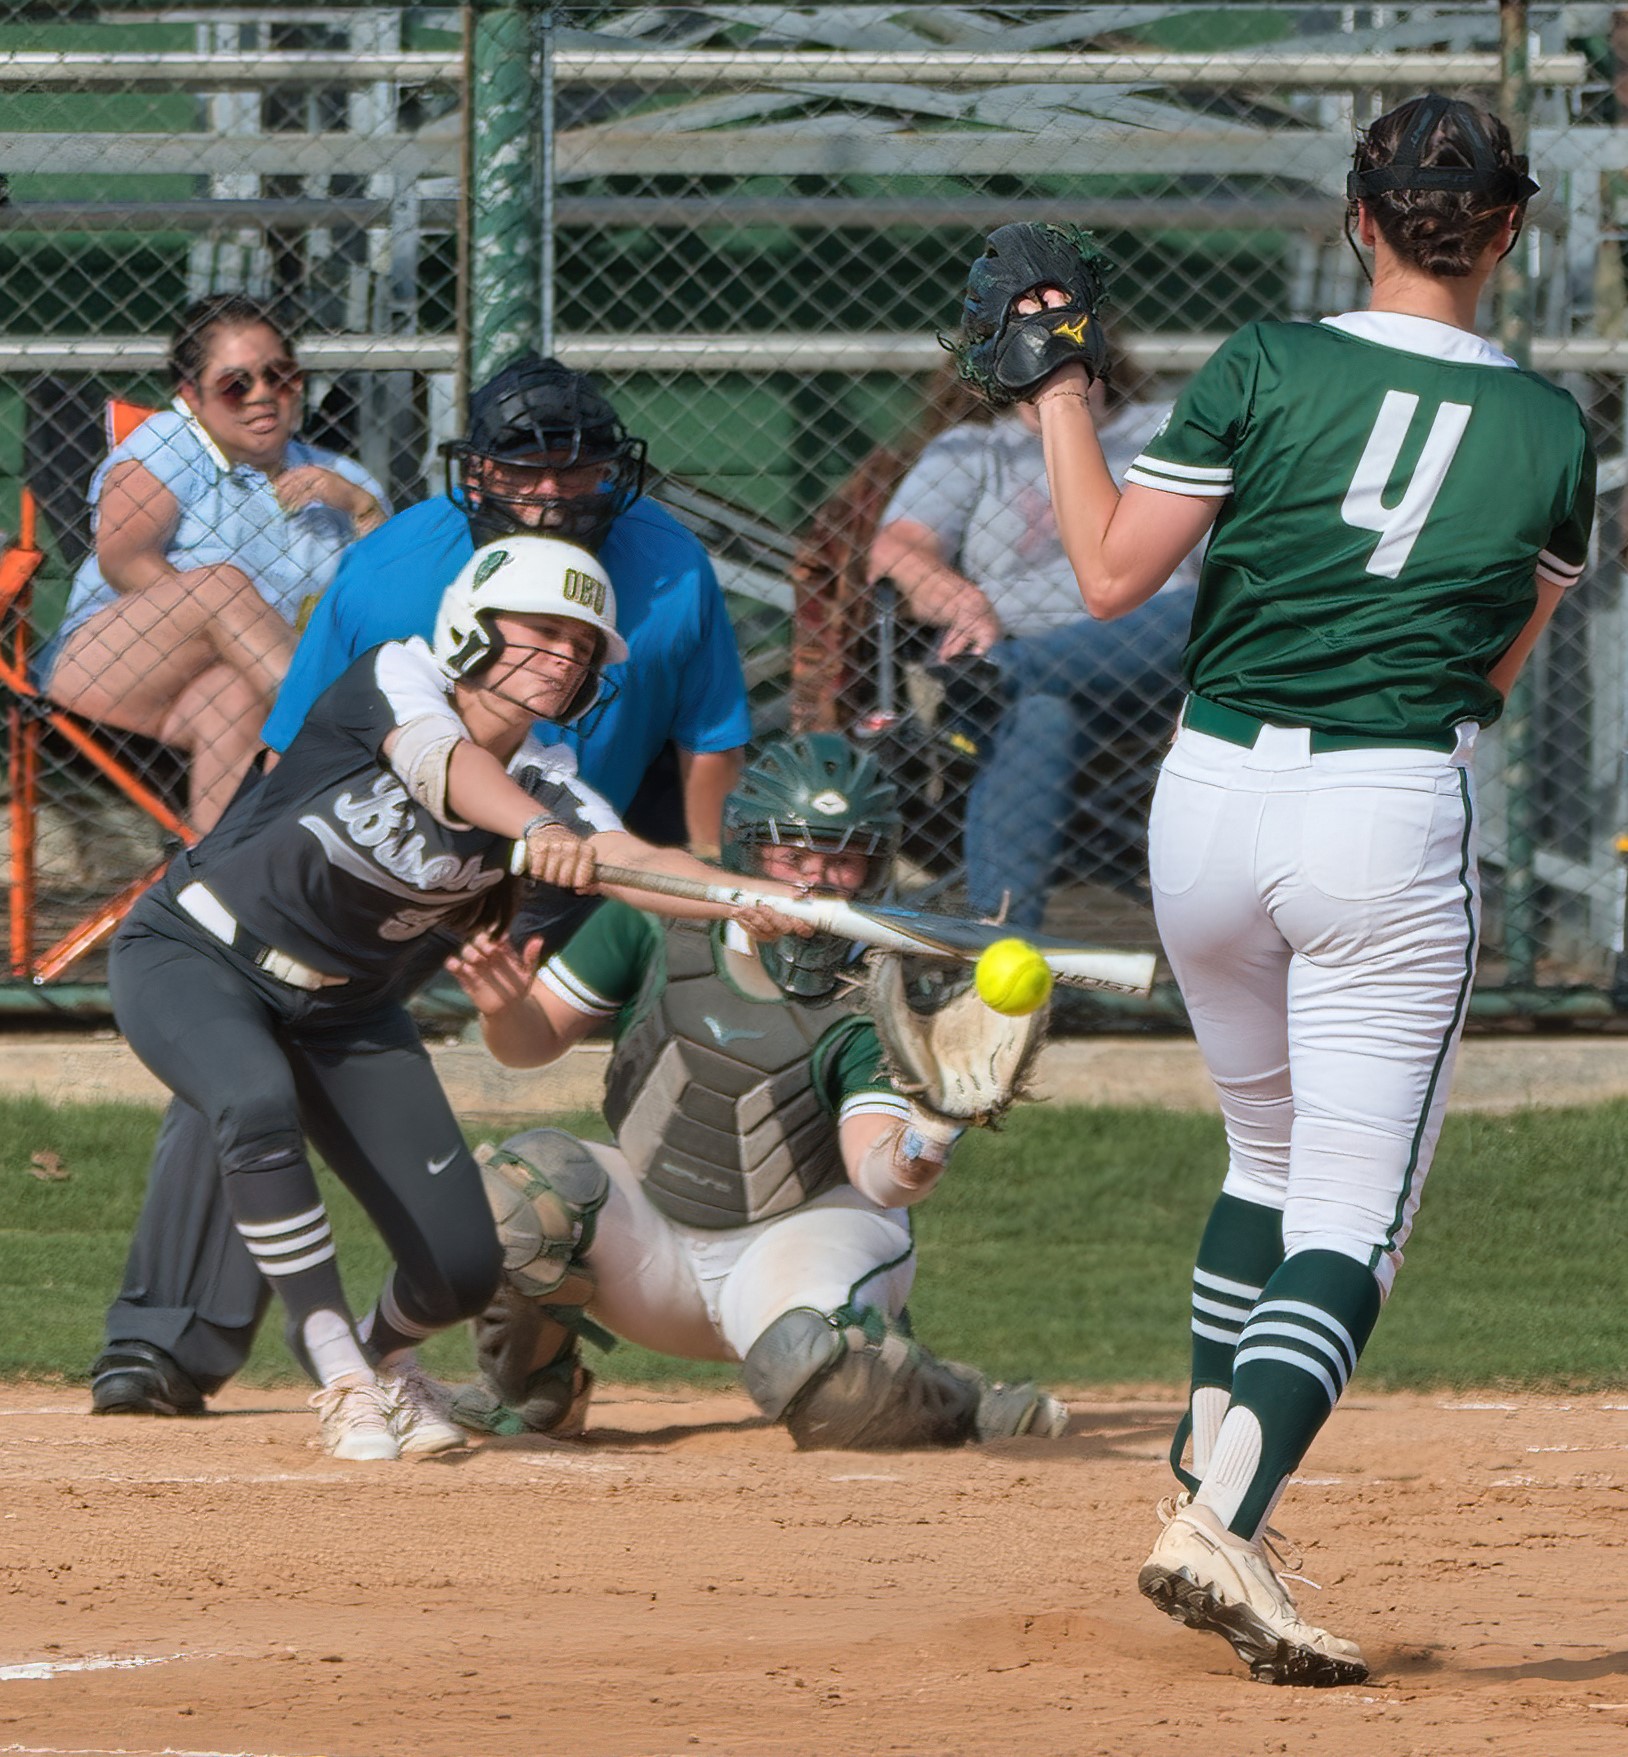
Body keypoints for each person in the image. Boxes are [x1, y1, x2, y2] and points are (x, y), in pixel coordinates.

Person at [1007, 97, 1594, 1682]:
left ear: (1360, 218)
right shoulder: (1553, 434)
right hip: (1384, 805)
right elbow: (1496, 669)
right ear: (1510, 231)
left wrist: (1060, 391)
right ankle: (1223, 1521)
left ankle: (1210, 1479)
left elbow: (1109, 573)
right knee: (1352, 1219)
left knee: (1263, 1151)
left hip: (1206, 799)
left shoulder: (1266, 361)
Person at [89, 354, 749, 1419]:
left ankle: (384, 1353)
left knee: (452, 1248)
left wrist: (747, 898)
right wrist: (273, 871)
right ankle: (177, 1342)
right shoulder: (394, 590)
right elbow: (357, 752)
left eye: (575, 466)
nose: (550, 488)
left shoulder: (666, 571)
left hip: (456, 906)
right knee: (240, 1085)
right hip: (293, 895)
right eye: (523, 466)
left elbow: (683, 778)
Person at [436, 733, 1070, 1449]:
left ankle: (956, 1401)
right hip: (652, 1245)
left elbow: (881, 1179)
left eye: (844, 860)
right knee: (515, 1194)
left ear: (876, 869)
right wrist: (503, 1010)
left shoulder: (877, 989)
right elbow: (528, 1046)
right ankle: (532, 1394)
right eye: (792, 856)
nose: (817, 880)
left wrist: (932, 1130)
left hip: (798, 1247)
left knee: (826, 1378)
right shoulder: (659, 916)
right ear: (746, 852)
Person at [869, 354, 1200, 927]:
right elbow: (897, 551)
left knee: (1200, 608)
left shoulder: (1166, 428)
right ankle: (1001, 948)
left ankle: (1002, 671)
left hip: (1157, 667)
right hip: (1031, 692)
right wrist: (963, 603)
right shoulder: (973, 449)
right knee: (1042, 712)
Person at [46, 294, 388, 829]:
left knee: (231, 697)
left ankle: (212, 870)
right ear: (192, 394)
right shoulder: (172, 443)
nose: (263, 395)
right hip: (109, 664)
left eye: (280, 376)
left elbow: (391, 594)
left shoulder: (341, 477)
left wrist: (362, 508)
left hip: (231, 692)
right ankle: (351, 740)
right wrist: (219, 617)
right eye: (235, 384)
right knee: (220, 589)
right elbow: (124, 558)